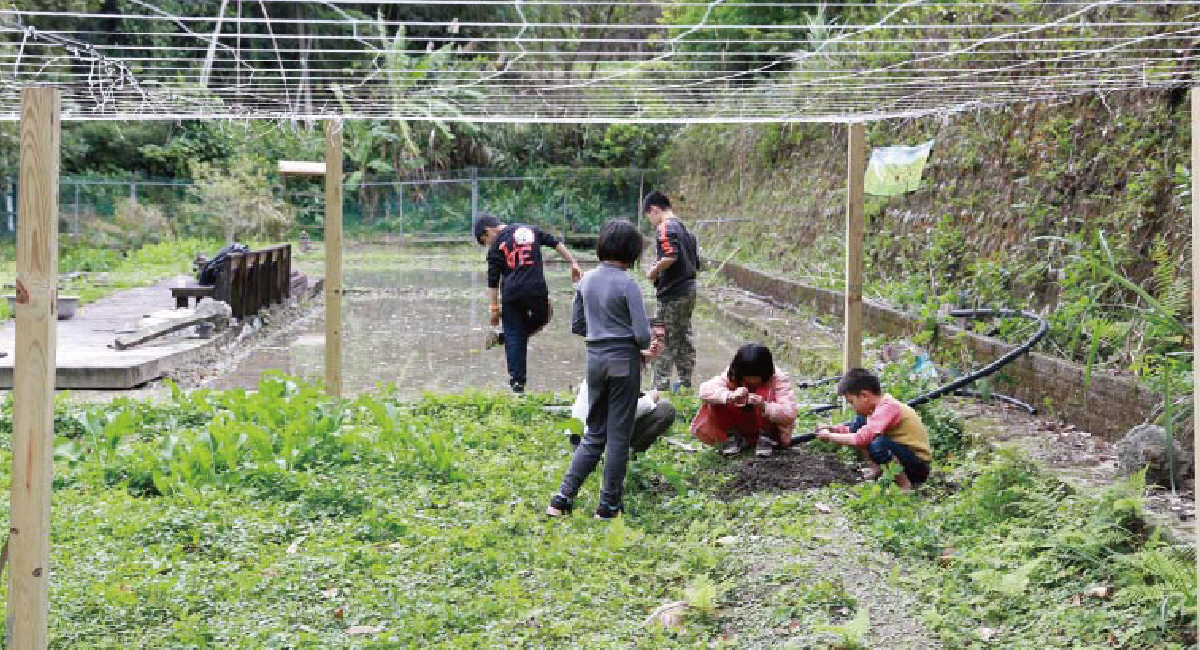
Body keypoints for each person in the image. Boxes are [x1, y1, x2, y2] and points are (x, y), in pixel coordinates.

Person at [547, 219, 658, 520]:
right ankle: (608, 505)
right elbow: (643, 337)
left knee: (594, 432)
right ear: (632, 252)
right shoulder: (628, 283)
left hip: (594, 360)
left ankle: (561, 499)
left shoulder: (586, 281)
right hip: (623, 362)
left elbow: (578, 326)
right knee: (618, 436)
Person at [474, 213, 582, 394]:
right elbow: (555, 242)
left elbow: (492, 282)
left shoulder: (495, 248)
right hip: (535, 290)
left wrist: (494, 309)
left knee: (515, 336)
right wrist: (573, 262)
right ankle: (506, 338)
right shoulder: (528, 229)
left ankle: (517, 387)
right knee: (543, 317)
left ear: (488, 231)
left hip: (511, 295)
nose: (488, 245)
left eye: (485, 240)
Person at [815, 368, 932, 490]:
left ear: (864, 395)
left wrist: (829, 437)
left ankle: (904, 485)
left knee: (878, 445)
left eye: (852, 402)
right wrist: (833, 429)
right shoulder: (876, 408)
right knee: (860, 422)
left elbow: (861, 438)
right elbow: (855, 431)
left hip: (918, 466)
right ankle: (876, 470)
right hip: (904, 457)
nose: (852, 407)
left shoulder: (889, 407)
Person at [690, 344, 798, 458]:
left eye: (755, 377)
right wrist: (730, 396)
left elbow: (790, 413)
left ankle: (766, 438)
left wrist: (764, 406)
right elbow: (705, 391)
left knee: (764, 392)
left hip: (768, 426)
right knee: (717, 398)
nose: (751, 381)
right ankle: (732, 438)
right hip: (742, 424)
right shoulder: (733, 375)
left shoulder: (778, 378)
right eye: (748, 377)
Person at [643, 191, 700, 392]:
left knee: (663, 337)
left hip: (674, 293)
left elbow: (670, 255)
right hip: (689, 289)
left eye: (648, 216)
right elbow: (695, 262)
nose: (651, 221)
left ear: (654, 210)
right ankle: (685, 384)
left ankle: (660, 388)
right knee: (682, 336)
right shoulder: (685, 230)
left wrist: (653, 271)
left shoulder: (665, 227)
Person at [570, 383, 676, 459]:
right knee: (666, 410)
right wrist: (650, 398)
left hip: (580, 441)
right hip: (596, 444)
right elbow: (623, 411)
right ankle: (630, 455)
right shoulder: (621, 368)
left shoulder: (600, 364)